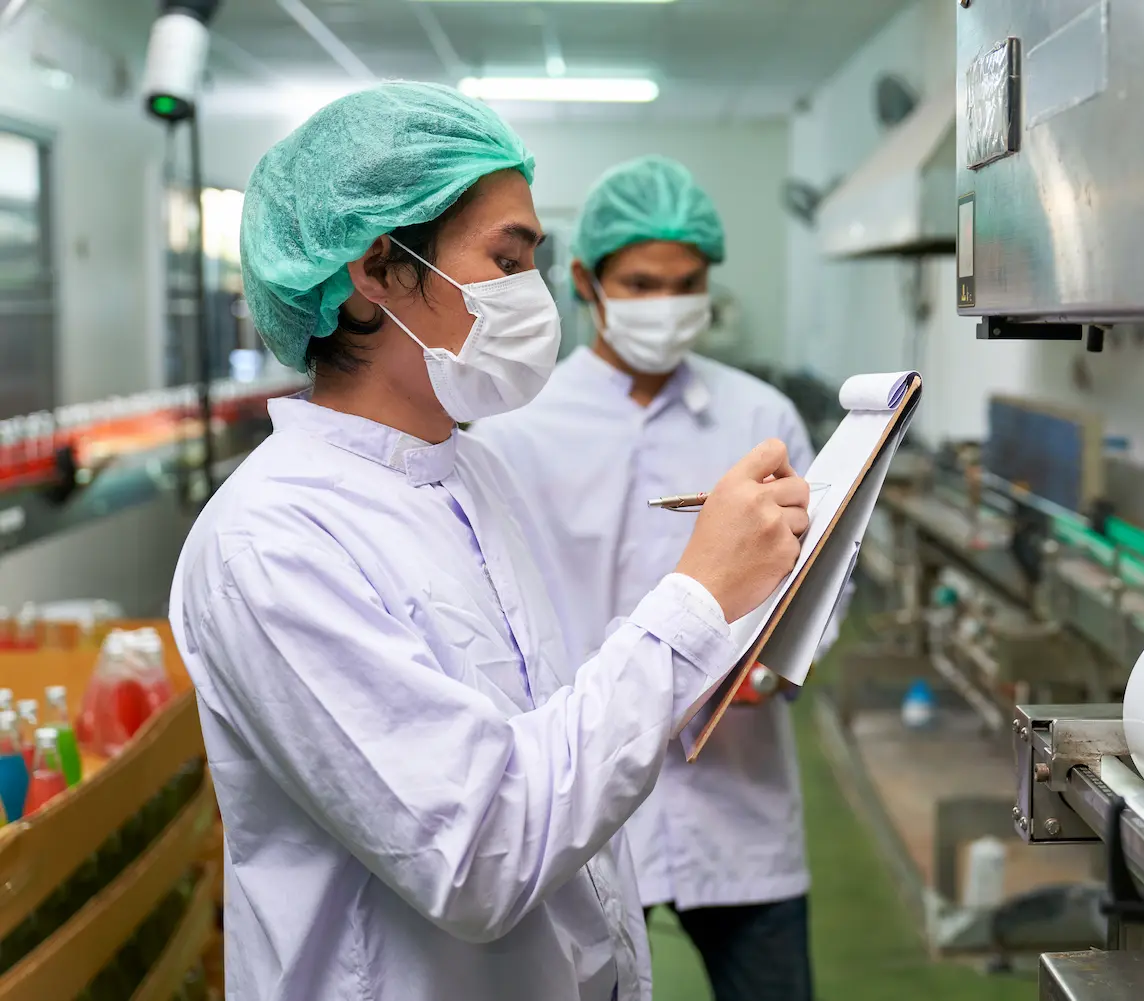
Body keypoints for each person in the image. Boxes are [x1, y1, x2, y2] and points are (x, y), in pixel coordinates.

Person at [167, 84, 810, 1001]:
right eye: (506, 260)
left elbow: (547, 752)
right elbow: (479, 854)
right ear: (378, 269)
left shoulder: (466, 475)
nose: (534, 297)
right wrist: (700, 596)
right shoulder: (271, 544)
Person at [472, 155, 832, 1001]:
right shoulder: (516, 427)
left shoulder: (760, 418)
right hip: (580, 794)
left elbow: (823, 579)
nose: (666, 303)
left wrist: (773, 665)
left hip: (738, 801)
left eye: (686, 282)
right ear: (586, 281)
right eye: (640, 282)